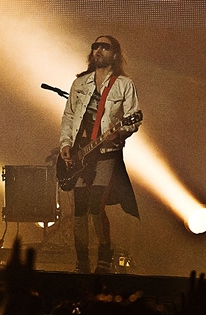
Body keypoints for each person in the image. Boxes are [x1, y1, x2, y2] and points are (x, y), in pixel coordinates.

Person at [59, 35, 142, 273]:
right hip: (79, 153)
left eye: (104, 47)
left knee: (97, 206)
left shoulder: (124, 84)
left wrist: (120, 132)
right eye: (95, 46)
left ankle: (105, 255)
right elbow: (68, 116)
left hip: (106, 153)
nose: (98, 50)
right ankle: (82, 260)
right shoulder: (80, 83)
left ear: (114, 54)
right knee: (79, 211)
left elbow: (133, 118)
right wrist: (66, 144)